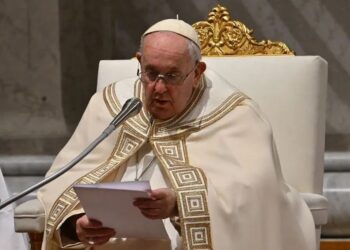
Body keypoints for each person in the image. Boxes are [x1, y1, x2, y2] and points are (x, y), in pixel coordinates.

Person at [38, 19, 315, 250]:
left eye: (171, 76)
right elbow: (62, 181)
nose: (158, 88)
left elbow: (255, 193)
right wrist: (77, 226)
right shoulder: (112, 104)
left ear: (197, 73)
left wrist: (179, 204)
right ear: (139, 62)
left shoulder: (235, 114)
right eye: (150, 73)